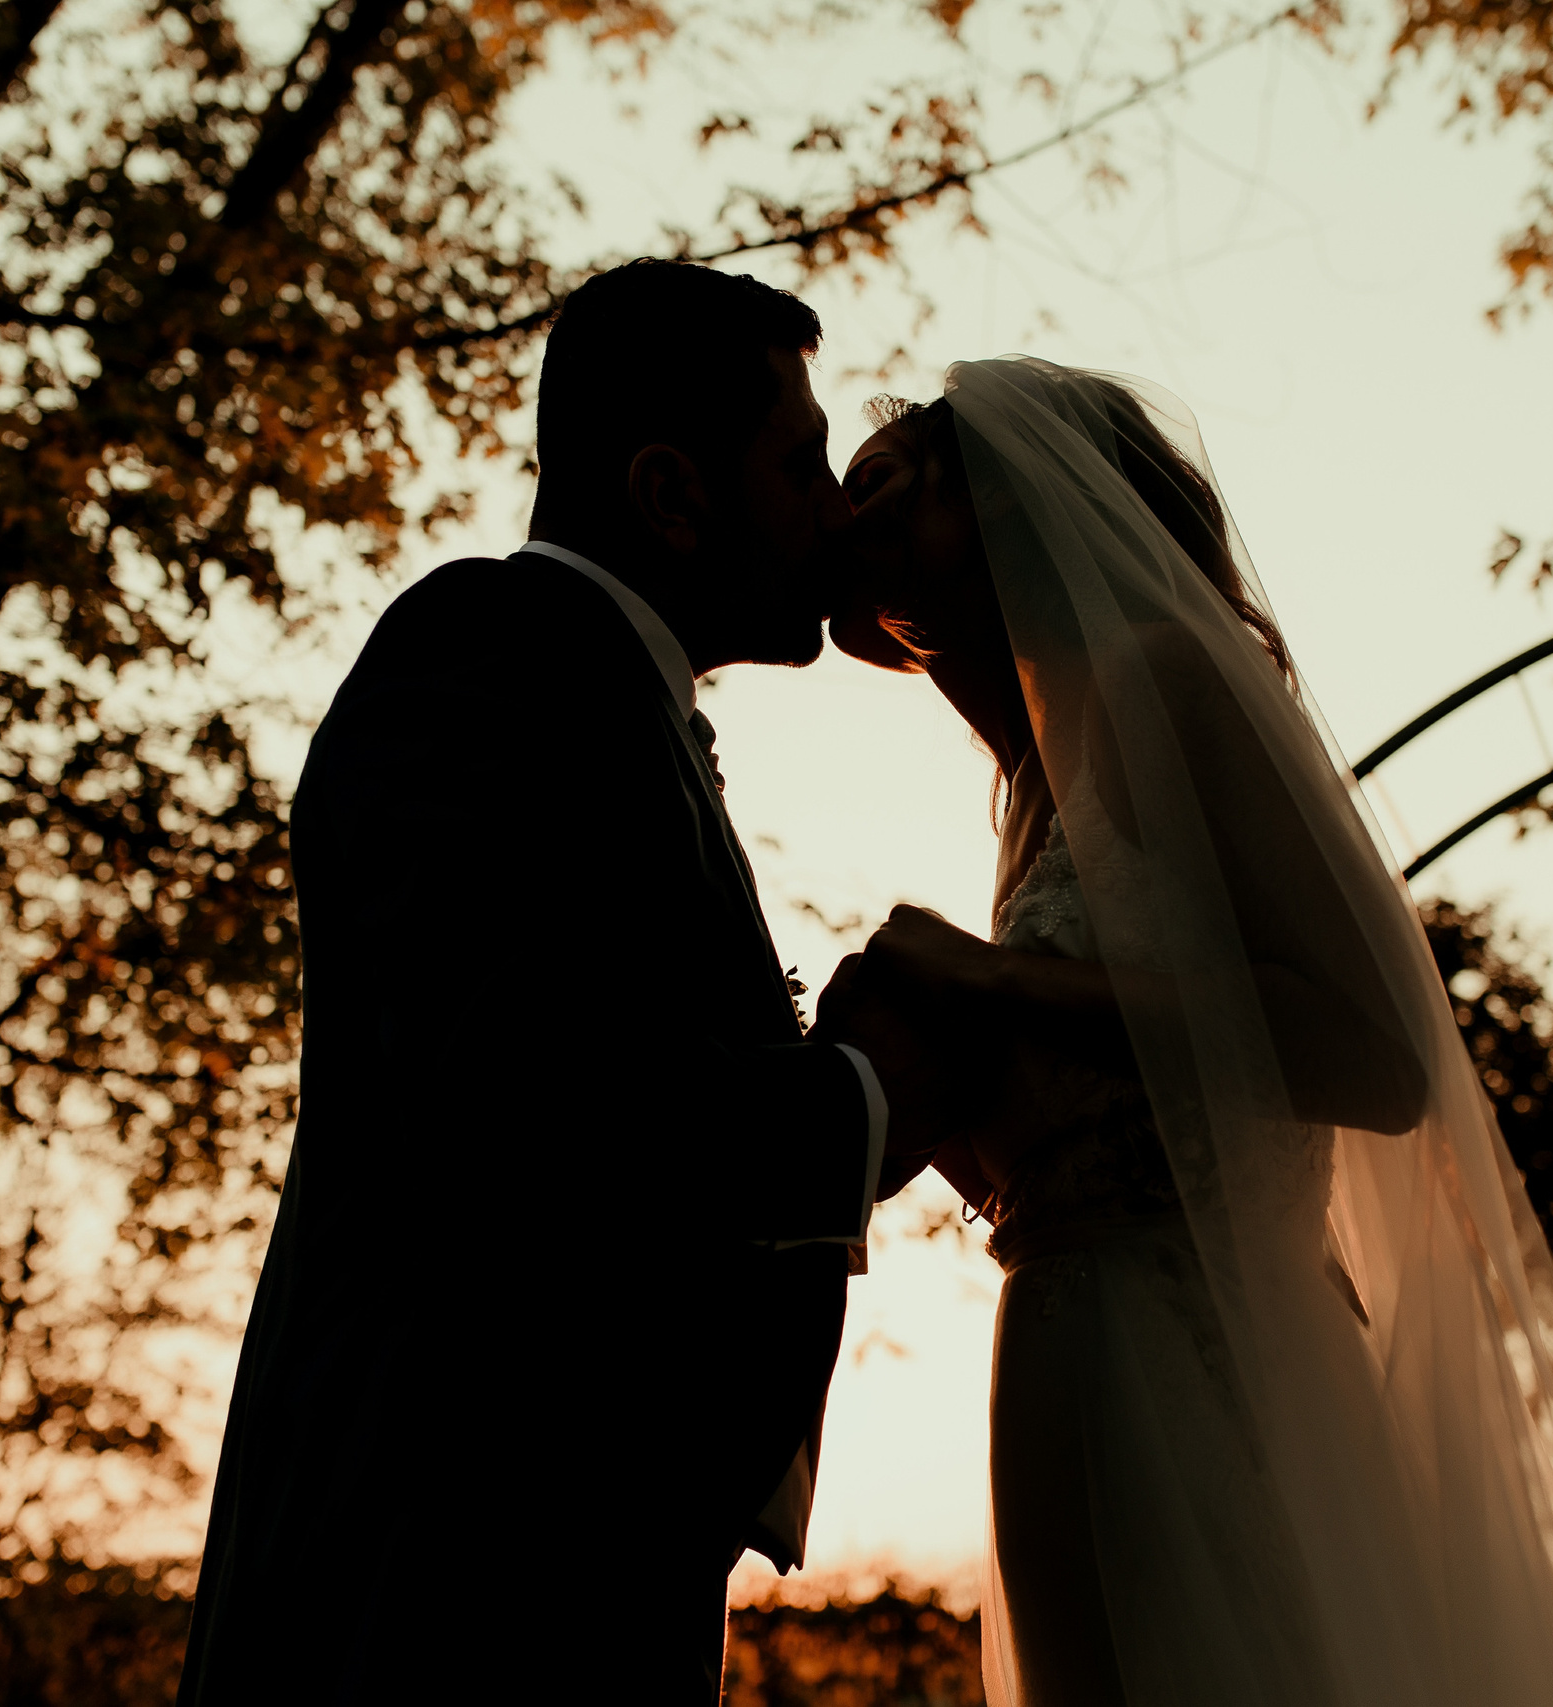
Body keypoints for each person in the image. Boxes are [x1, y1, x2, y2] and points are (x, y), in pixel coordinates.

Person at [824, 357, 1553, 1707]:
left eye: (883, 487)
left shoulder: (1164, 685)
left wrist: (996, 985)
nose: (845, 522)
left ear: (1010, 507)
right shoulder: (1036, 783)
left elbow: (1373, 1050)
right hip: (1074, 1365)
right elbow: (1113, 1139)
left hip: (1202, 1373)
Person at [176, 262, 949, 1704]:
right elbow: (525, 1096)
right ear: (671, 494)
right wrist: (858, 1102)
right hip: (430, 1596)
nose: (836, 511)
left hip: (543, 1587)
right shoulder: (481, 656)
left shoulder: (596, 693)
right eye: (799, 467)